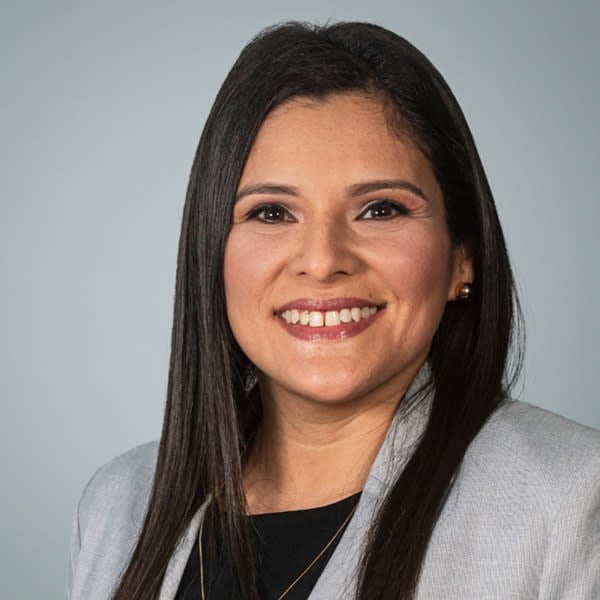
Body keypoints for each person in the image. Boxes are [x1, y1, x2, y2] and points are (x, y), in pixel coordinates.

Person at [66, 21, 600, 600]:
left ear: (461, 258)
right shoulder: (117, 506)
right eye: (272, 213)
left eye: (380, 209)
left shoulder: (571, 496)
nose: (322, 261)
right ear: (210, 253)